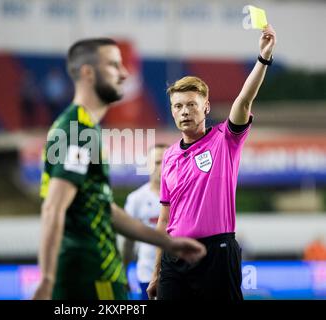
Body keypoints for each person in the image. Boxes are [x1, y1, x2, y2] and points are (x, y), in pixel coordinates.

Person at [32, 38, 206, 300]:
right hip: (84, 276)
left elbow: (103, 207)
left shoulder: (88, 129)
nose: (124, 73)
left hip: (102, 273)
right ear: (88, 73)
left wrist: (168, 243)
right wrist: (46, 280)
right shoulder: (75, 128)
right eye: (114, 65)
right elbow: (53, 207)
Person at [147, 25, 277, 300]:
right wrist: (156, 270)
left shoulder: (225, 139)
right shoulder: (169, 155)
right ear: (171, 111)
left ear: (205, 107)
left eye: (191, 104)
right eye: (178, 106)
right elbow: (164, 219)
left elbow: (244, 99)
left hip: (216, 255)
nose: (184, 111)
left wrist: (263, 58)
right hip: (174, 257)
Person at [122, 144, 168, 300]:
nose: (161, 167)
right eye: (156, 162)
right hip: (146, 274)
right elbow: (128, 241)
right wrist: (124, 272)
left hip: (179, 274)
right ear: (147, 166)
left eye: (165, 161)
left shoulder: (184, 197)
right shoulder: (136, 199)